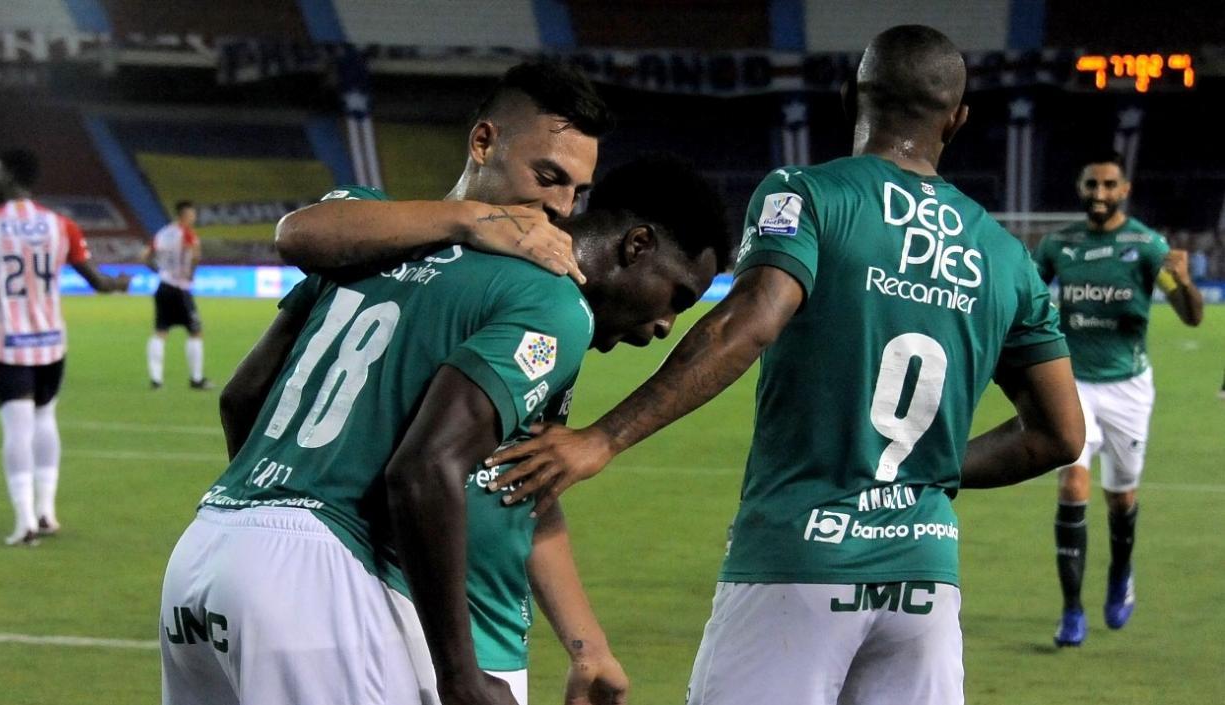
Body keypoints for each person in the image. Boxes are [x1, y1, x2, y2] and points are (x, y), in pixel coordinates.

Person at [484, 26, 1086, 705]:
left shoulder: (808, 195)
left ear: (850, 98)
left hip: (799, 559)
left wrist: (603, 436)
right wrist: (928, 472)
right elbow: (1059, 434)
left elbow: (748, 324)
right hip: (924, 583)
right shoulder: (1005, 256)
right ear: (957, 119)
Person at [160, 155, 725, 705]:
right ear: (638, 244)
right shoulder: (549, 302)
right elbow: (426, 468)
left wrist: (587, 647)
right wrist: (459, 674)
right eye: (677, 297)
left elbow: (523, 482)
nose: (664, 326)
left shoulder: (391, 253)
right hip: (379, 607)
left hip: (218, 546)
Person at [1033, 150, 1203, 647]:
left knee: (1121, 496)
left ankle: (1120, 572)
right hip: (1074, 384)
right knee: (1071, 486)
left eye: (1109, 185)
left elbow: (1191, 316)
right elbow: (1025, 296)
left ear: (1124, 190)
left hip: (1127, 388)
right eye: (1092, 185)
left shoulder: (1146, 247)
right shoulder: (1058, 245)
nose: (1100, 194)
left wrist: (1185, 281)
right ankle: (1071, 611)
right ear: (1081, 189)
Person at [0, 148, 130, 546]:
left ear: (8, 176)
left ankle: (24, 523)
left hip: (8, 343)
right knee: (45, 420)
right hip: (52, 342)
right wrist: (118, 283)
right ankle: (46, 512)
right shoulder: (61, 225)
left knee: (16, 428)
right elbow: (97, 282)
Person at [143, 200, 210, 389]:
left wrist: (159, 271)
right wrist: (190, 274)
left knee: (160, 331)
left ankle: (156, 379)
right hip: (180, 288)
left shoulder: (163, 233)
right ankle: (196, 379)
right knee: (195, 331)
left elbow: (144, 256)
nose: (194, 218)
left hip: (163, 286)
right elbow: (195, 255)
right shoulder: (187, 234)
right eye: (192, 214)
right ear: (186, 215)